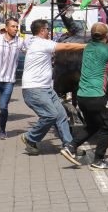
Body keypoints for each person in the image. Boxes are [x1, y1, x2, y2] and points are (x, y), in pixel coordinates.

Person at [17, 19, 85, 161]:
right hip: (34, 89)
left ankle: (69, 145)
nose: (49, 32)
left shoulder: (34, 42)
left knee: (61, 116)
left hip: (46, 88)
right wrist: (86, 46)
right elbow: (66, 47)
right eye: (47, 29)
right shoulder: (41, 43)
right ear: (42, 30)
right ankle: (30, 138)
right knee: (51, 115)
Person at [65, 22, 108, 170]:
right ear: (107, 36)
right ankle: (99, 160)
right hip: (96, 95)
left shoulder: (88, 48)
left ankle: (70, 146)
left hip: (82, 95)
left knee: (92, 125)